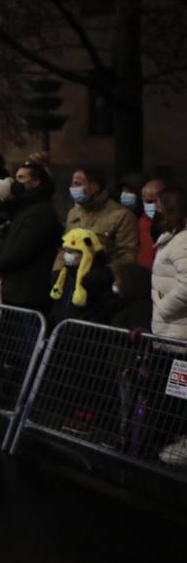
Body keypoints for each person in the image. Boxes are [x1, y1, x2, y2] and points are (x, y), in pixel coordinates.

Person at [0, 163, 62, 316]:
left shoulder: (40, 211)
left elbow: (23, 249)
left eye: (21, 178)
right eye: (16, 177)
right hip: (18, 288)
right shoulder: (24, 208)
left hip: (29, 290)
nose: (16, 182)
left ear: (36, 182)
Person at [148, 187, 187, 465]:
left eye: (159, 205)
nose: (154, 211)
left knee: (178, 397)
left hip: (179, 336)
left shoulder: (183, 242)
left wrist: (163, 308)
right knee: (171, 394)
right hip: (170, 334)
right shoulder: (172, 240)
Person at [52, 166, 138, 283]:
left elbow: (127, 255)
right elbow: (65, 246)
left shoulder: (121, 216)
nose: (72, 189)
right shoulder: (74, 213)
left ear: (94, 187)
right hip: (70, 280)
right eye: (72, 184)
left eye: (77, 184)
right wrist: (57, 271)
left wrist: (106, 273)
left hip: (101, 285)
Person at [138, 178, 165, 270]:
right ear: (142, 200)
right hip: (143, 276)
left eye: (157, 201)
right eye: (149, 202)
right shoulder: (137, 223)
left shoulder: (174, 224)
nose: (154, 205)